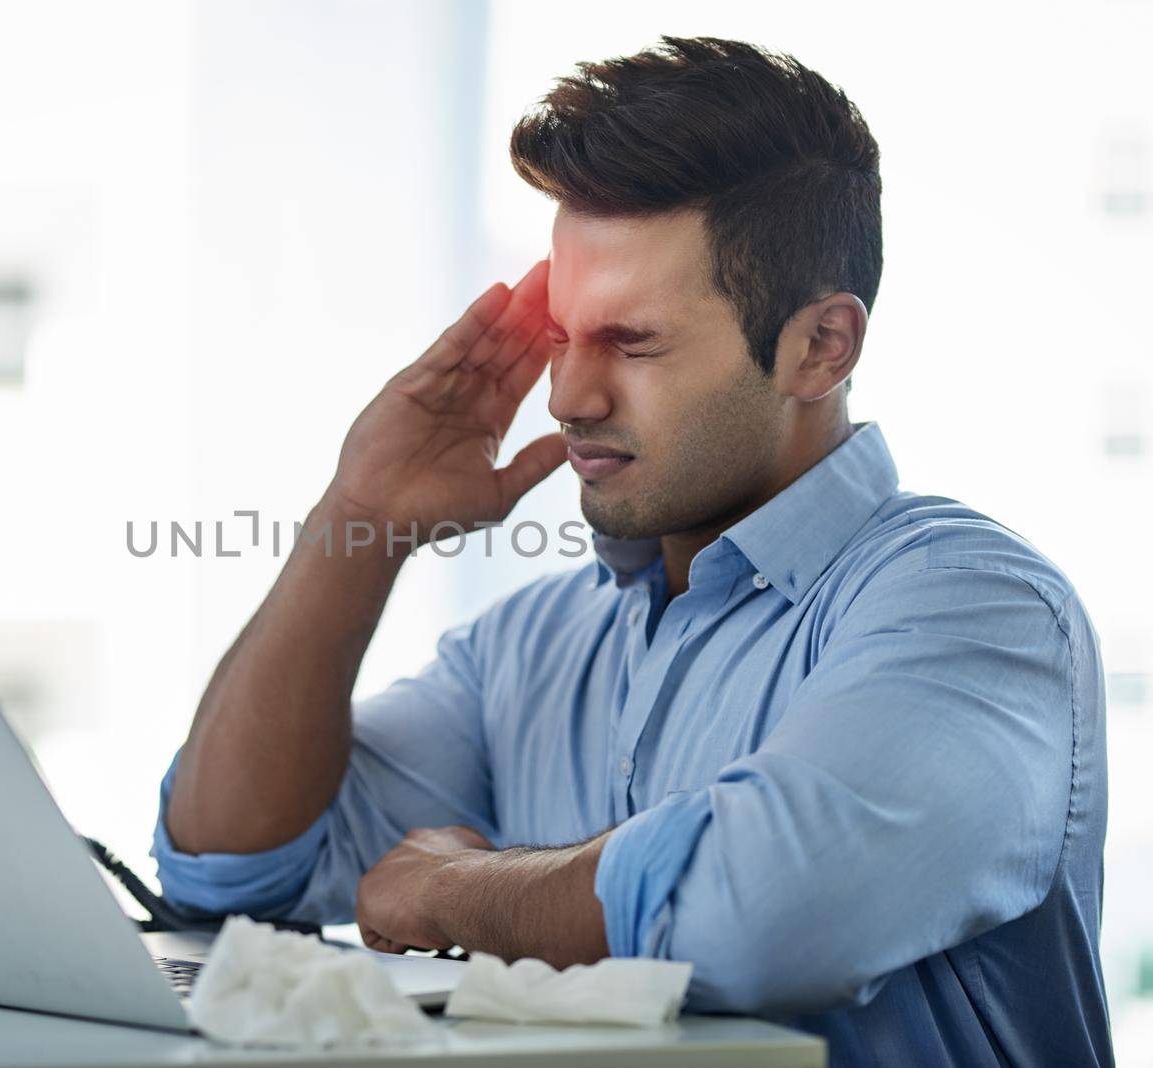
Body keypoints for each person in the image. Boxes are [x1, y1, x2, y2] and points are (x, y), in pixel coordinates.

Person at [152, 36, 1111, 1066]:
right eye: (563, 336)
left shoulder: (975, 609)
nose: (567, 398)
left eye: (632, 342)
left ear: (819, 346)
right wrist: (361, 518)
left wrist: (453, 889)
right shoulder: (532, 644)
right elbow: (228, 872)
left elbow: (756, 914)